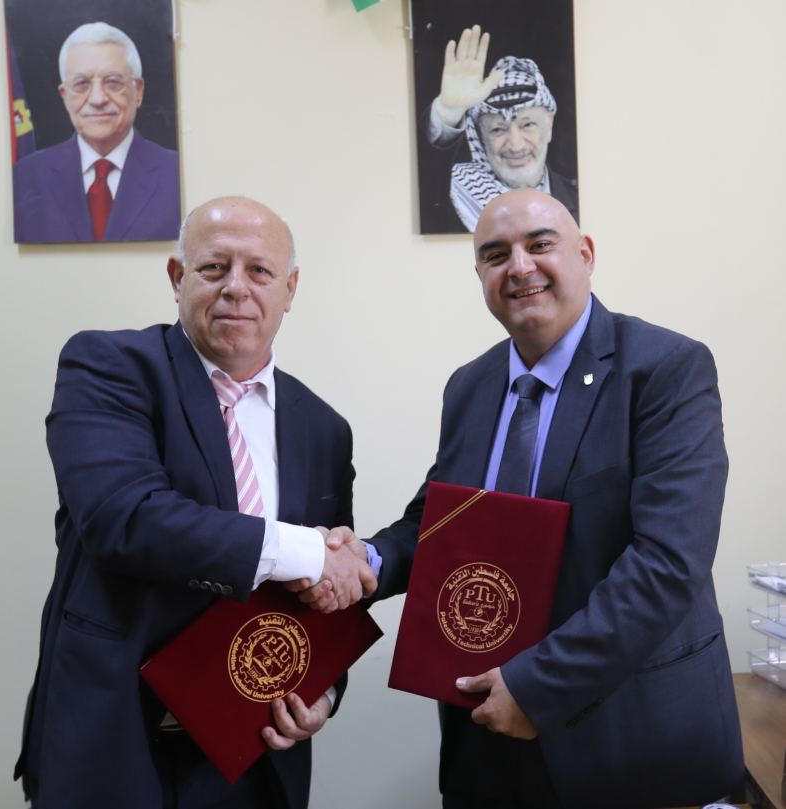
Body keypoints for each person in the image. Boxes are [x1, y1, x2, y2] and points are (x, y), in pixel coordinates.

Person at [306, 190, 743, 807]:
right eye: (495, 255)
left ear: (585, 255)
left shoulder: (667, 369)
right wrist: (367, 561)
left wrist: (538, 686)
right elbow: (442, 519)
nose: (519, 266)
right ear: (480, 276)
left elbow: (668, 563)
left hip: (632, 738)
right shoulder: (470, 385)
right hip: (487, 741)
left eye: (540, 244)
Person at [13, 196, 376, 808]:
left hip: (252, 754)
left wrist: (324, 692)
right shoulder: (109, 367)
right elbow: (125, 519)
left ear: (289, 289)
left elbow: (325, 596)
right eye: (214, 267)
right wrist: (310, 550)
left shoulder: (324, 427)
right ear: (177, 277)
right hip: (114, 742)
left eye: (259, 270)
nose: (236, 287)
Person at [12, 21, 181, 243]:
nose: (98, 99)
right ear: (65, 96)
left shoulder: (176, 174)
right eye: (82, 84)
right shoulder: (27, 176)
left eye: (113, 82)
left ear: (138, 91)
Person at [427, 26, 578, 231]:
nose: (515, 145)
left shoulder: (579, 198)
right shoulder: (460, 197)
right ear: (481, 137)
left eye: (527, 125)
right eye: (498, 129)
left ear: (549, 126)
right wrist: (449, 111)